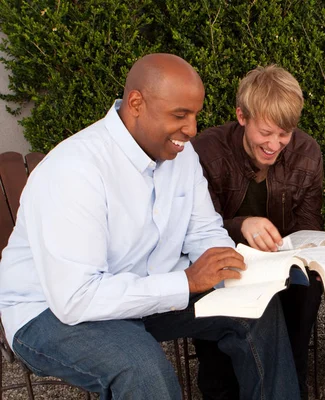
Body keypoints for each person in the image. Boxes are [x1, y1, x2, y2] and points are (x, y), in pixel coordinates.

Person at [0, 54, 299, 399]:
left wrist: (227, 266)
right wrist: (187, 281)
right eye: (180, 115)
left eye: (195, 115)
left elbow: (203, 231)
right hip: (50, 313)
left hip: (146, 291)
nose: (191, 129)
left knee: (256, 307)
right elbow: (76, 299)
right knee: (141, 366)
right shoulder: (74, 170)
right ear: (137, 103)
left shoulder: (181, 154)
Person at [192, 65, 323, 400]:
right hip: (223, 261)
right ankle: (220, 387)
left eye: (285, 134)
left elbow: (308, 228)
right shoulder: (207, 152)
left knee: (307, 289)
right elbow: (191, 229)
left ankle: (293, 382)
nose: (275, 144)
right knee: (216, 287)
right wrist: (241, 225)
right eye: (266, 132)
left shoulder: (307, 153)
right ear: (241, 116)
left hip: (281, 265)